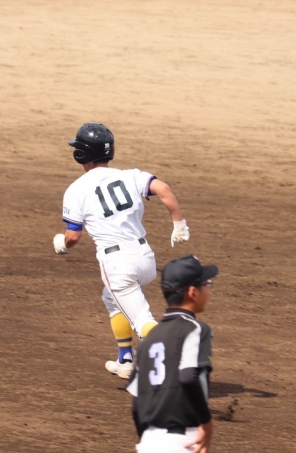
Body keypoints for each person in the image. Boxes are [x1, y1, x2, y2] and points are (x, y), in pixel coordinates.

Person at [53, 122, 191, 379]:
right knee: (111, 299)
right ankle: (125, 360)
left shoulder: (76, 190)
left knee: (142, 321)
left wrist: (62, 243)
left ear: (81, 155)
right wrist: (179, 224)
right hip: (146, 260)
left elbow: (73, 236)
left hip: (118, 265)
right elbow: (163, 188)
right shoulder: (131, 176)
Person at [126, 254, 218, 453]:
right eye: (206, 284)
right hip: (185, 441)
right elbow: (188, 377)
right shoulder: (195, 329)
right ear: (192, 292)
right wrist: (207, 423)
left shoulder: (147, 340)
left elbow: (136, 403)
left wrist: (149, 441)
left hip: (148, 443)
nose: (209, 289)